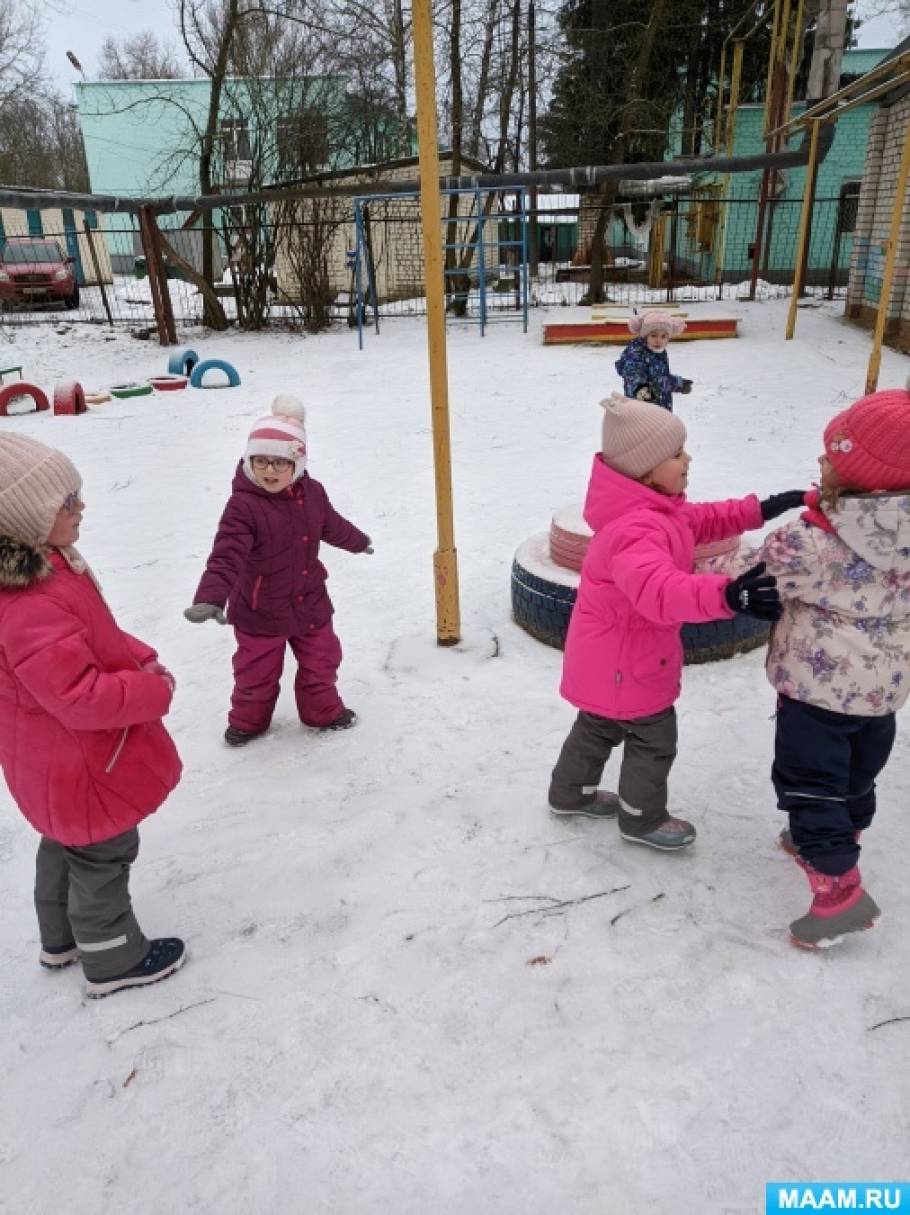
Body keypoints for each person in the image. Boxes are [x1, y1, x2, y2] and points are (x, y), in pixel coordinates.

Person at [547, 394, 802, 850]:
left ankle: (570, 793)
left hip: (607, 658)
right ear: (645, 469)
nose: (688, 459)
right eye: (677, 454)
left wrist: (758, 508)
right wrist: (728, 594)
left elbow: (699, 521)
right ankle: (642, 819)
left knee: (597, 725)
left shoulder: (648, 509)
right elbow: (661, 592)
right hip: (629, 662)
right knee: (652, 738)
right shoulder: (636, 531)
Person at [0, 434, 185, 998]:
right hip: (83, 761)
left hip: (51, 763)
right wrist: (147, 690)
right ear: (26, 519)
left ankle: (61, 939)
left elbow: (92, 636)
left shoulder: (46, 572)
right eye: (66, 500)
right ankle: (113, 959)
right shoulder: (29, 603)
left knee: (66, 839)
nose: (81, 507)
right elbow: (77, 695)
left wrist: (137, 653)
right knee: (103, 851)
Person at [755, 383, 910, 947]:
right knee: (853, 778)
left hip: (816, 695)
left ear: (866, 478)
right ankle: (842, 836)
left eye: (834, 454)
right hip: (883, 693)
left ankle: (838, 895)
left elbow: (751, 576)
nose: (821, 459)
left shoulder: (811, 544)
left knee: (810, 789)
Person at [186, 395, 371, 745]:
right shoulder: (243, 506)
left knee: (322, 661)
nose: (269, 471)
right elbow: (226, 554)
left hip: (309, 602)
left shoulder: (312, 492)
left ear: (297, 465)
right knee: (255, 673)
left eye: (279, 463)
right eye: (260, 462)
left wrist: (358, 542)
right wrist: (211, 597)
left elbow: (331, 524)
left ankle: (322, 710)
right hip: (260, 609)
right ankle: (248, 720)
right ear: (248, 462)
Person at [615, 310, 692, 411]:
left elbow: (658, 376)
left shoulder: (658, 352)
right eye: (654, 335)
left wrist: (679, 383)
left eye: (663, 336)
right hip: (643, 413)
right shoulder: (636, 355)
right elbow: (638, 388)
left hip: (659, 410)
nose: (658, 340)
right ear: (645, 335)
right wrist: (675, 384)